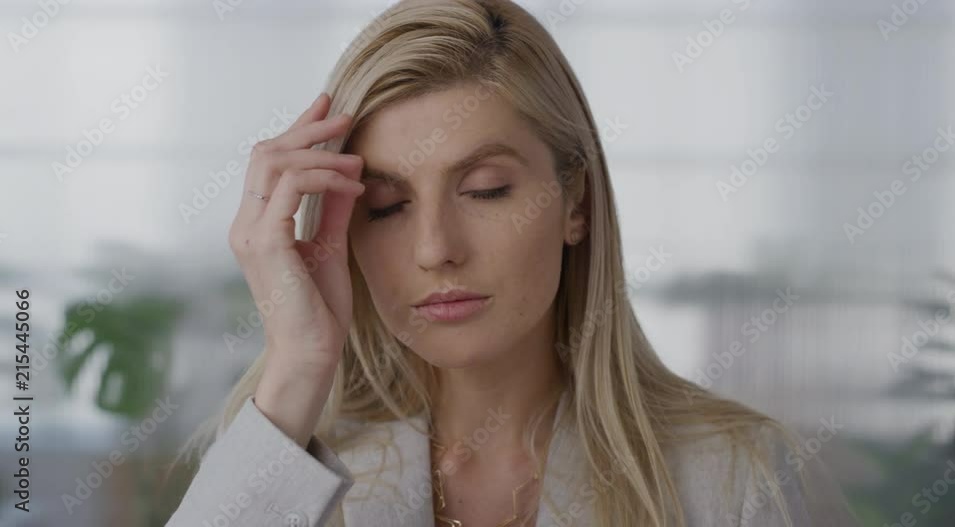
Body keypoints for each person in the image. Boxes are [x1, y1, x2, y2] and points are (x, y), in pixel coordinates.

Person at [166, 1, 860, 525]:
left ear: (574, 201)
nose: (435, 248)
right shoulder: (284, 463)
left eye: (485, 190)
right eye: (387, 206)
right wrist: (297, 364)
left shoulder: (733, 478)